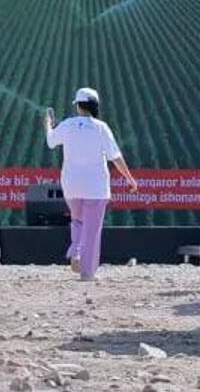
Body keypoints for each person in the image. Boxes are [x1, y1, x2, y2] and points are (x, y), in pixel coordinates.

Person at [43, 88, 140, 283]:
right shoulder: (101, 127)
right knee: (92, 229)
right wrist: (129, 178)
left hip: (71, 184)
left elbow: (51, 142)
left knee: (77, 221)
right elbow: (115, 156)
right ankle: (87, 272)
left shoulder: (68, 125)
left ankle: (76, 251)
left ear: (78, 105)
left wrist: (47, 125)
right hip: (96, 186)